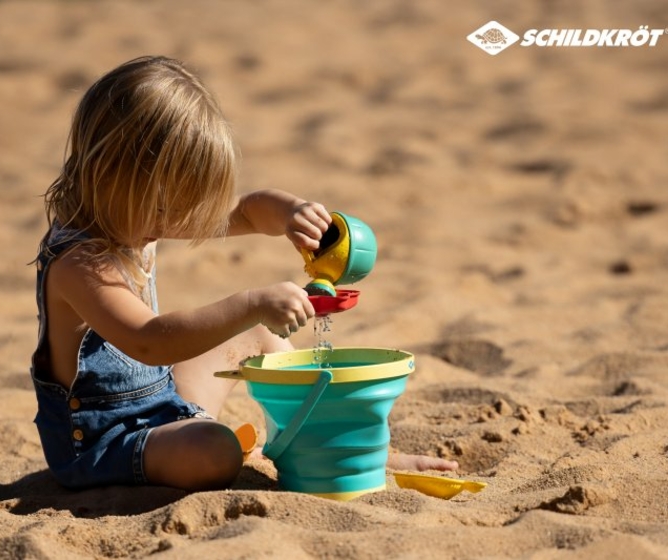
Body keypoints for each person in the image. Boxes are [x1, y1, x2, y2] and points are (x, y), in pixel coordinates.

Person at [30, 55, 457, 493]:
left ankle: (341, 448)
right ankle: (210, 438)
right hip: (104, 442)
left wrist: (291, 213)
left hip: (161, 402)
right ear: (114, 175)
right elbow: (149, 340)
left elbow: (246, 212)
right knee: (215, 451)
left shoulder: (130, 213)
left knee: (261, 337)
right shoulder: (80, 263)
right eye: (164, 206)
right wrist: (251, 303)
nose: (173, 221)